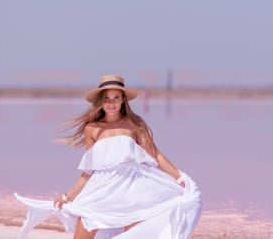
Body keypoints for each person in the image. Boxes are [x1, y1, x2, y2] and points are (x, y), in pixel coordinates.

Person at [14, 74, 202, 239]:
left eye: (116, 98)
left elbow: (156, 155)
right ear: (101, 102)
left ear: (123, 101)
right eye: (107, 99)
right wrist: (67, 196)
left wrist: (178, 177)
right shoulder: (92, 129)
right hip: (100, 191)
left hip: (131, 190)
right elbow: (89, 170)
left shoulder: (135, 125)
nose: (111, 103)